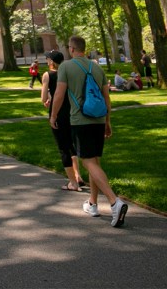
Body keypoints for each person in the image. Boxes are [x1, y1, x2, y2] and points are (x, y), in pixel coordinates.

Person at [51, 34, 128, 228]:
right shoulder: (97, 67)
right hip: (99, 119)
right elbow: (106, 98)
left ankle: (114, 201)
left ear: (71, 48)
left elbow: (59, 94)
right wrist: (108, 122)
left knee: (87, 162)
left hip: (80, 120)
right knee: (94, 160)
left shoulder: (66, 67)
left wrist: (53, 116)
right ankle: (92, 204)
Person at [41, 50, 84, 192]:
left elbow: (43, 98)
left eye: (47, 59)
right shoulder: (68, 72)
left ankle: (73, 183)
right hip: (71, 110)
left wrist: (48, 100)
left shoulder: (47, 75)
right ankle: (78, 176)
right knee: (71, 145)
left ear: (52, 61)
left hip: (57, 112)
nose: (46, 61)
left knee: (63, 147)